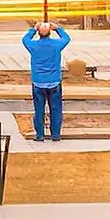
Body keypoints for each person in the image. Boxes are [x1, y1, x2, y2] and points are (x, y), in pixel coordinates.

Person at [22, 9, 71, 142]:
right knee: (56, 109)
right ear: (50, 32)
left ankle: (40, 135)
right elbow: (67, 38)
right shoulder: (56, 45)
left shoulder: (33, 45)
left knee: (39, 110)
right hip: (54, 81)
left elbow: (25, 39)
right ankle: (55, 134)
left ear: (39, 33)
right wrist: (57, 28)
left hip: (38, 81)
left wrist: (33, 28)